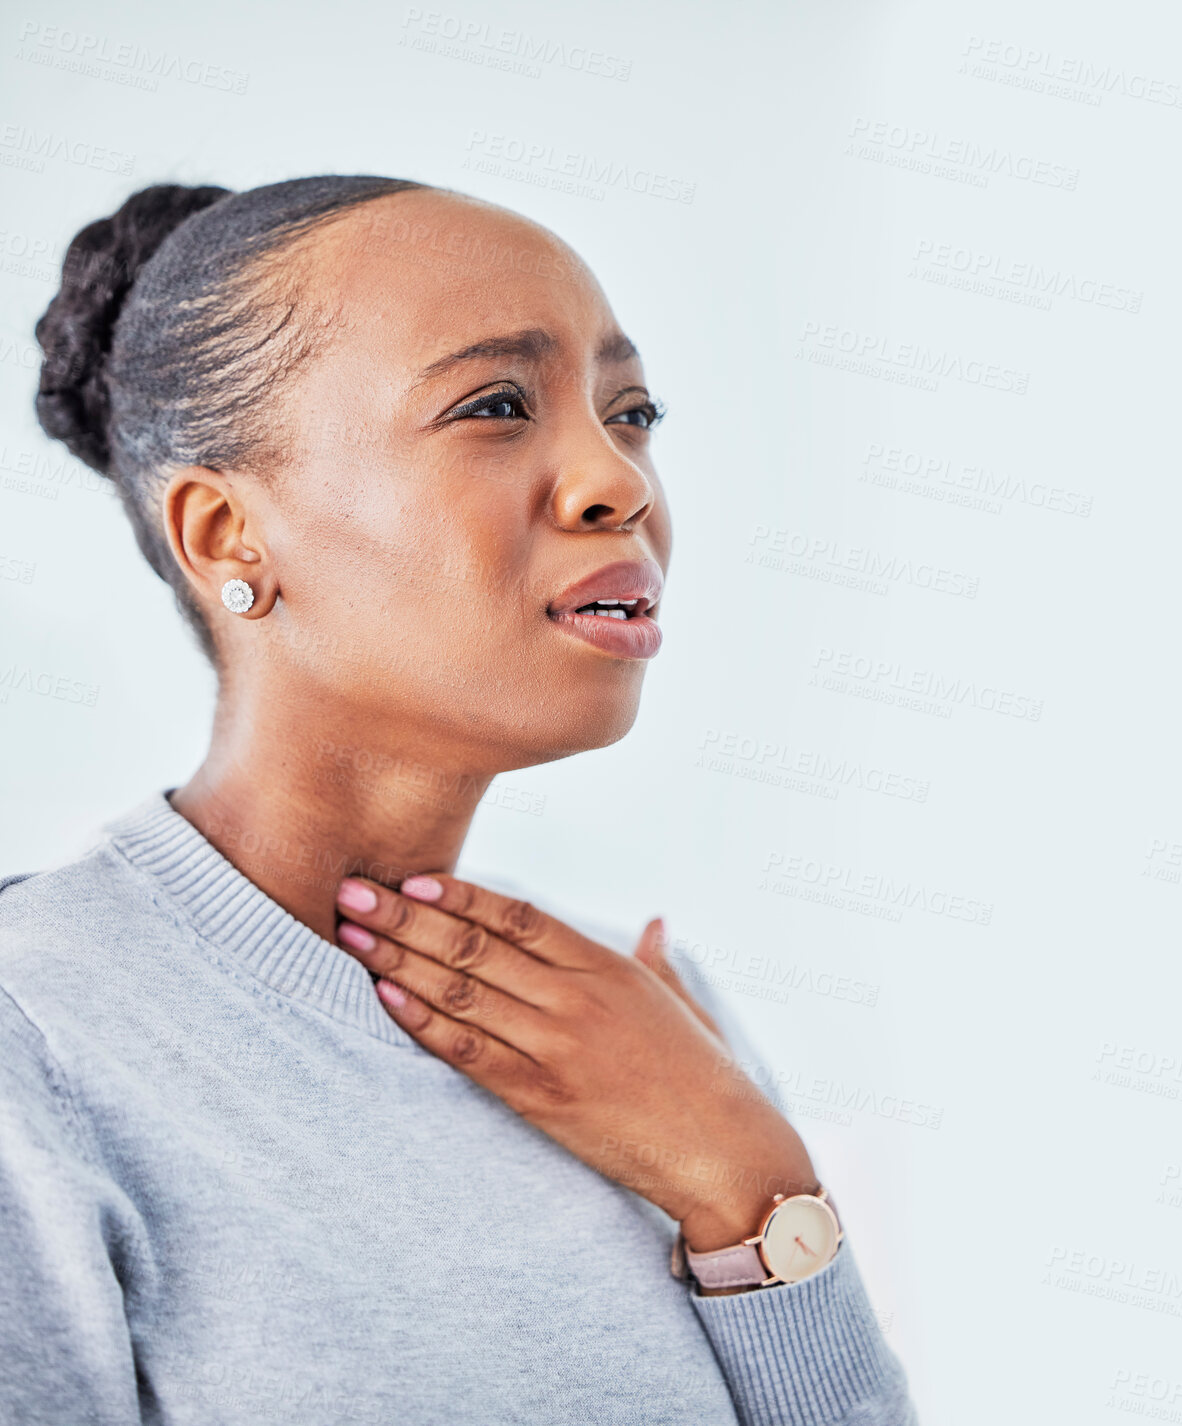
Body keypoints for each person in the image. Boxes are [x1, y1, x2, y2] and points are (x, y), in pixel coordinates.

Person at [1, 176, 918, 1424]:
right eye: (496, 405)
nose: (619, 482)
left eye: (631, 410)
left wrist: (750, 1187)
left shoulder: (647, 1019)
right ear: (225, 536)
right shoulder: (35, 1040)